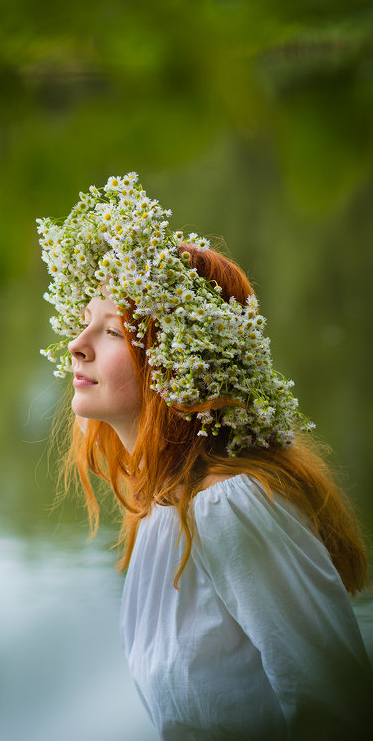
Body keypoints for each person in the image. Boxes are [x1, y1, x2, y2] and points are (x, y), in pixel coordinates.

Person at [37, 172, 373, 740]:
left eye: (114, 332)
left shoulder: (229, 507)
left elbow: (338, 713)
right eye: (84, 323)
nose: (77, 343)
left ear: (179, 360)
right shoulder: (163, 510)